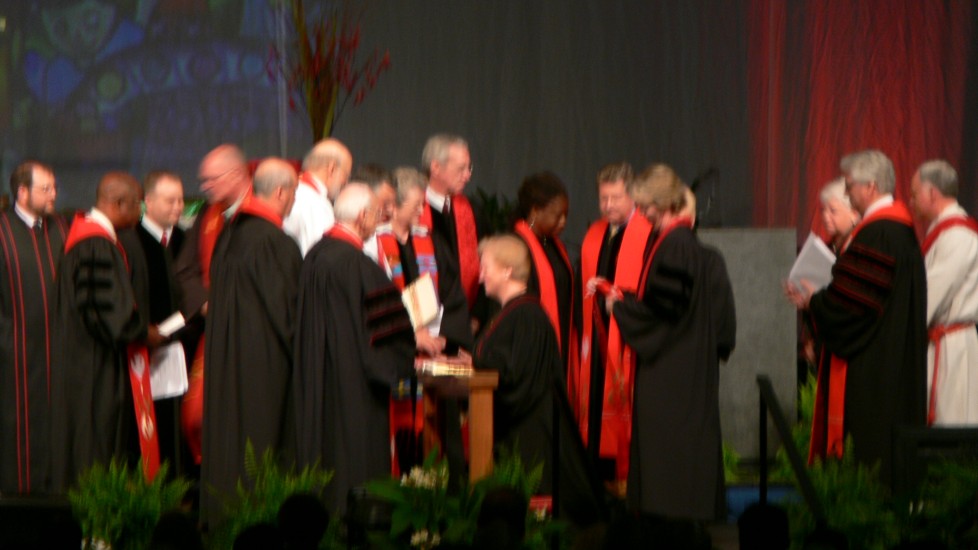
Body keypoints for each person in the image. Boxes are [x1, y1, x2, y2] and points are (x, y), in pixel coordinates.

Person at [786, 149, 926, 486]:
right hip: (895, 357)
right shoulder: (902, 232)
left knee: (871, 461)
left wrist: (814, 301)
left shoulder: (878, 234)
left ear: (871, 186)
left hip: (875, 366)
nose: (847, 193)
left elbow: (849, 306)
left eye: (850, 186)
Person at [601, 163, 726, 521]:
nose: (642, 213)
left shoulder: (675, 247)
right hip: (686, 360)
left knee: (670, 451)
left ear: (664, 204)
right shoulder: (682, 244)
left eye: (647, 206)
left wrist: (619, 308)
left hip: (672, 369)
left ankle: (670, 525)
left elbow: (664, 312)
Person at [293, 183, 416, 514]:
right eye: (376, 214)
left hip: (316, 380)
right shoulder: (361, 267)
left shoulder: (313, 258)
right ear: (362, 216)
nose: (379, 220)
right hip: (354, 387)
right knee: (355, 459)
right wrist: (401, 364)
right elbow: (389, 337)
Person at [472, 235, 604, 527]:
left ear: (507, 270)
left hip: (532, 435)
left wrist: (478, 366)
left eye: (486, 268)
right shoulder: (513, 313)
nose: (480, 276)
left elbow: (518, 378)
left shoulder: (527, 316)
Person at [200, 158, 302, 527]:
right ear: (281, 192)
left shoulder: (229, 236)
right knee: (259, 454)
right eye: (293, 194)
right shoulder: (274, 242)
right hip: (265, 371)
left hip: (226, 365)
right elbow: (289, 316)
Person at [50, 171, 152, 490]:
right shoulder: (95, 245)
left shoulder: (88, 238)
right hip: (94, 366)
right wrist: (144, 332)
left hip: (82, 361)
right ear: (118, 203)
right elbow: (107, 314)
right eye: (137, 204)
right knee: (94, 444)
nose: (140, 213)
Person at [174, 144, 253, 465]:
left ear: (236, 175)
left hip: (252, 331)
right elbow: (185, 270)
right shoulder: (207, 216)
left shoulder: (260, 211)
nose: (205, 187)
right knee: (198, 416)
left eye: (211, 180)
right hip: (215, 327)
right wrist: (205, 304)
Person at [576, 162, 652, 486]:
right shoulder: (595, 234)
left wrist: (617, 297)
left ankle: (626, 482)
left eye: (615, 198)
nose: (607, 206)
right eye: (603, 198)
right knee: (596, 409)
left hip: (629, 342)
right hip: (597, 339)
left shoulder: (648, 233)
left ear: (632, 195)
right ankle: (598, 480)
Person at [0, 161, 68, 494]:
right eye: (46, 189)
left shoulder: (62, 229)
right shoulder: (2, 232)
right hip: (14, 357)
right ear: (22, 192)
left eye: (54, 187)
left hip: (58, 353)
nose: (54, 194)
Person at [126, 170, 188, 476]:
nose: (178, 207)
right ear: (148, 201)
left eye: (180, 200)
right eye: (170, 200)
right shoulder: (132, 242)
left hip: (182, 349)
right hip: (144, 351)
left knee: (180, 424)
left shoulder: (184, 240)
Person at [909, 159, 978, 426]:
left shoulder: (957, 235)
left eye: (915, 194)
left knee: (953, 420)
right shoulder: (945, 232)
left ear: (932, 193)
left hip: (953, 347)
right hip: (941, 341)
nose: (911, 201)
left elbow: (929, 296)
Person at [512, 172, 579, 398]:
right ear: (535, 211)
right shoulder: (517, 247)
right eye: (557, 216)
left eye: (566, 215)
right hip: (533, 351)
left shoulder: (553, 245)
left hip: (562, 345)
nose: (563, 222)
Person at [419, 134, 480, 314]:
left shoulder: (472, 211)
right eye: (461, 169)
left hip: (464, 315)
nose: (467, 176)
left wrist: (476, 316)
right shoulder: (413, 211)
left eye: (469, 168)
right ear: (436, 168)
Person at [282, 138, 353, 256]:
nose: (346, 182)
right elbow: (325, 256)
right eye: (346, 175)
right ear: (332, 169)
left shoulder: (294, 192)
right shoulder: (316, 203)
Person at [818, 177, 860, 253]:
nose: (825, 217)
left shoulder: (861, 244)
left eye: (833, 211)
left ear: (854, 214)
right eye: (823, 210)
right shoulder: (830, 245)